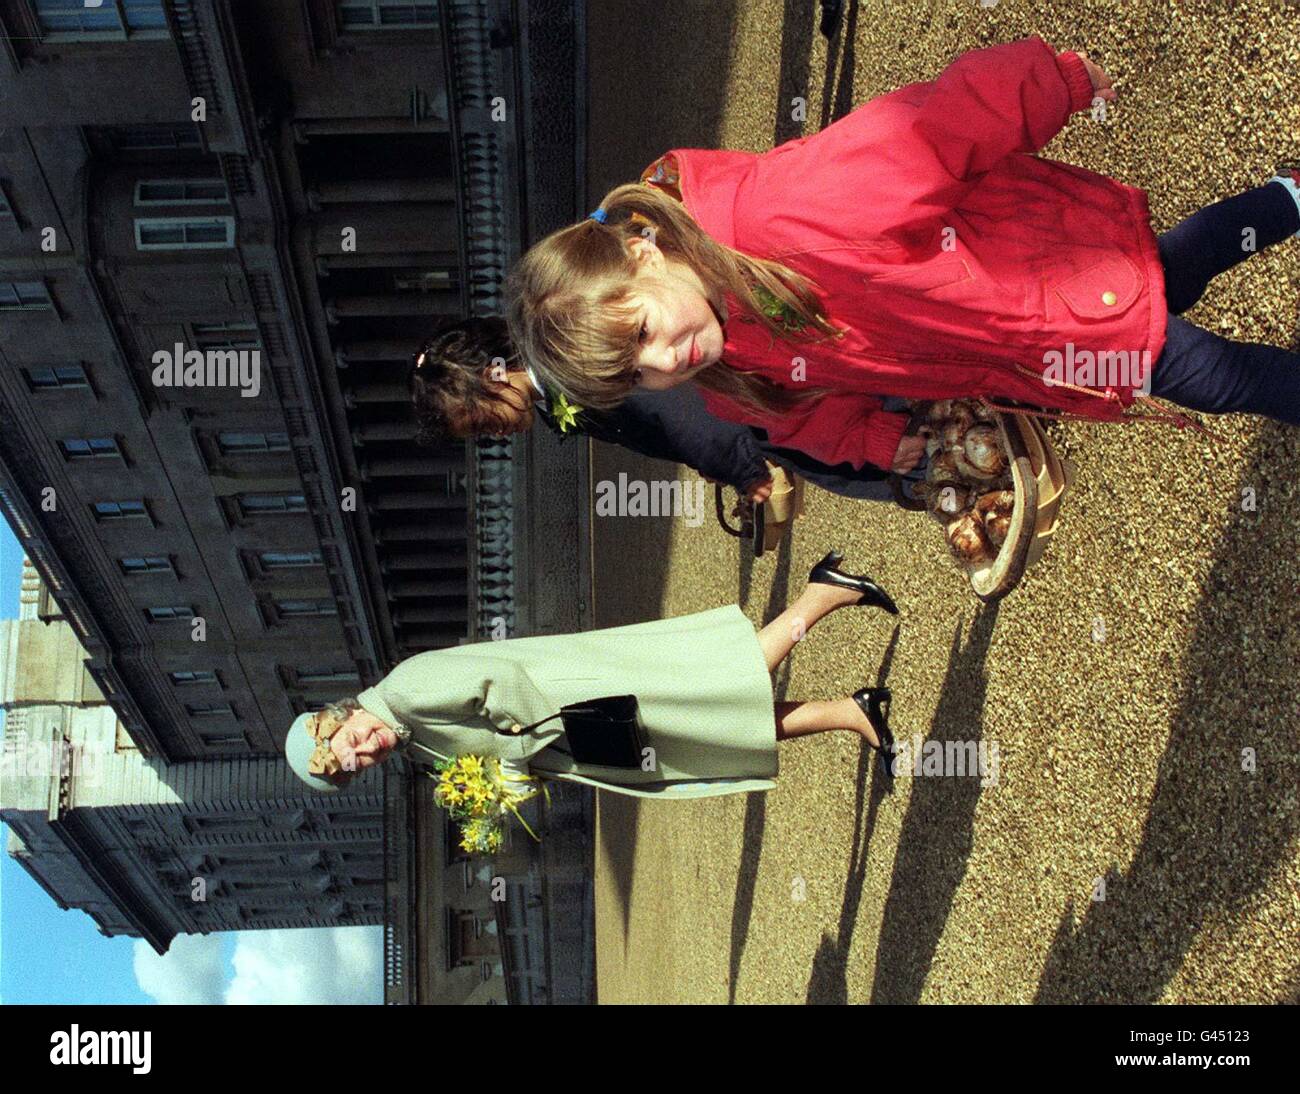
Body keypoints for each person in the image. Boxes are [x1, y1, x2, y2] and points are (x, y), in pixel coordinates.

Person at [504, 35, 1300, 477]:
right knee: (1174, 270)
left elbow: (924, 137)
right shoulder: (727, 371)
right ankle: (1287, 195)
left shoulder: (777, 215)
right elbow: (801, 417)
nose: (666, 360)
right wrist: (878, 443)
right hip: (1014, 345)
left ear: (644, 252)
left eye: (643, 333)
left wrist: (1050, 83)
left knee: (1215, 377)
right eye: (641, 374)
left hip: (1042, 300)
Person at [284, 550, 902, 798]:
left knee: (721, 683)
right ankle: (852, 713)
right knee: (720, 732)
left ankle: (820, 595)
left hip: (581, 698)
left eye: (352, 742)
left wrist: (510, 764)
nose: (365, 752)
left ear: (341, 718)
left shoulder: (405, 693)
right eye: (357, 766)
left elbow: (502, 685)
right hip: (578, 731)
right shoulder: (407, 739)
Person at [408, 317, 913, 502]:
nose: (492, 437)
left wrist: (740, 468)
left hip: (756, 412)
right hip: (755, 407)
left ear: (493, 375)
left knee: (873, 449)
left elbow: (676, 410)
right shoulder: (553, 390)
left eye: (480, 423)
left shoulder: (569, 375)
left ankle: (960, 458)